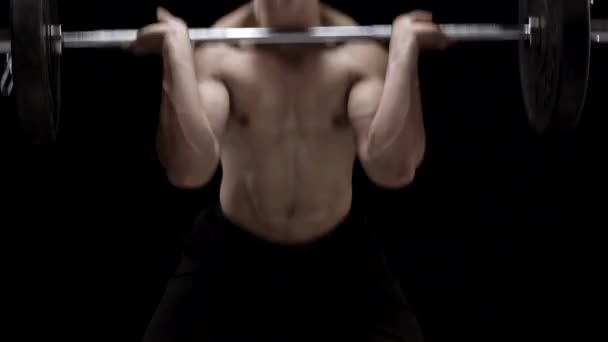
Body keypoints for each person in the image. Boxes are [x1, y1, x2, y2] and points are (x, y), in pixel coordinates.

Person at [131, 1, 448, 341]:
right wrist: (176, 58)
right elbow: (188, 171)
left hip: (338, 257)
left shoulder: (356, 54)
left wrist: (403, 55)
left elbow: (393, 170)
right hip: (232, 254)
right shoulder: (220, 53)